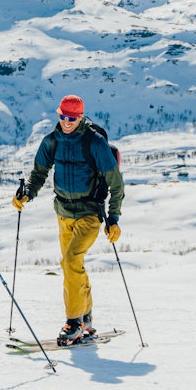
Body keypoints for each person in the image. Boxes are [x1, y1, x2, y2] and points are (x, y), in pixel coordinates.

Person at [12, 95, 125, 345]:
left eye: (72, 118)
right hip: (63, 212)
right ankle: (87, 317)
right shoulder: (52, 141)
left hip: (89, 213)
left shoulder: (94, 143)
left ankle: (74, 322)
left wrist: (114, 218)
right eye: (63, 116)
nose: (66, 122)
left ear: (81, 117)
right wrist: (27, 193)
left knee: (71, 260)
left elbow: (116, 183)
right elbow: (39, 173)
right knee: (72, 266)